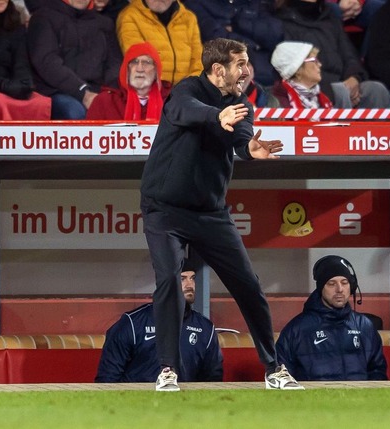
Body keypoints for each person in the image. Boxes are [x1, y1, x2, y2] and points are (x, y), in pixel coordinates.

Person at [140, 38, 303, 392]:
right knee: (169, 280)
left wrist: (250, 148)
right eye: (240, 64)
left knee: (249, 285)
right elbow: (185, 111)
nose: (247, 71)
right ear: (218, 70)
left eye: (247, 62)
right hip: (164, 210)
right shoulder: (187, 90)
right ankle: (168, 370)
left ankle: (274, 368)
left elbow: (242, 137)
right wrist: (216, 116)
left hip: (211, 214)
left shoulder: (241, 104)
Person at [95, 260, 223, 383]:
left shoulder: (205, 329)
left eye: (192, 278)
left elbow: (213, 381)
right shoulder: (133, 323)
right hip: (137, 403)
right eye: (182, 279)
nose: (190, 285)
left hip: (183, 403)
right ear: (164, 283)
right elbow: (107, 379)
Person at [276, 255, 387, 381]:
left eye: (344, 283)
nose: (339, 289)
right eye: (331, 284)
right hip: (315, 401)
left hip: (359, 400)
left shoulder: (364, 326)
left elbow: (377, 371)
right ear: (321, 288)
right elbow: (282, 379)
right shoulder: (297, 329)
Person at [276, 0, 390, 108]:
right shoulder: (282, 21)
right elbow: (292, 70)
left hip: (342, 83)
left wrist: (354, 77)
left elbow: (349, 55)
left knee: (376, 91)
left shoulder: (329, 17)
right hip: (310, 88)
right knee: (340, 92)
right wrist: (335, 88)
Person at [26, 0, 122, 119]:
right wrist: (83, 92)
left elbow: (114, 63)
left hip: (98, 92)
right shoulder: (43, 17)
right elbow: (47, 62)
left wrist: (109, 93)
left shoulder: (104, 23)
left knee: (120, 108)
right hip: (57, 92)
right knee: (75, 111)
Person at [184, 0, 283, 87]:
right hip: (229, 74)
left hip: (269, 73)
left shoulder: (251, 3)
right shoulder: (195, 3)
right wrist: (254, 43)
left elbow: (275, 32)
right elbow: (215, 37)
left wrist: (238, 25)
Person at [116, 0, 203, 85]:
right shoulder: (130, 16)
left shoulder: (188, 18)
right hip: (152, 92)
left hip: (184, 92)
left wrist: (188, 89)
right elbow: (139, 64)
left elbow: (198, 62)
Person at [87, 42, 171, 121]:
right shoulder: (104, 102)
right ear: (126, 69)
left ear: (157, 70)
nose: (140, 69)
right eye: (134, 62)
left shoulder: (171, 101)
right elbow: (90, 134)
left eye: (147, 62)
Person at [0, 0, 51, 120]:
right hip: (2, 86)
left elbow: (21, 62)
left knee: (39, 103)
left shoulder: (14, 19)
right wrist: (4, 85)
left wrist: (24, 84)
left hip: (8, 84)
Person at [270, 41, 333, 108]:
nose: (320, 64)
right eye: (314, 60)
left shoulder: (327, 94)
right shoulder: (280, 101)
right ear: (298, 69)